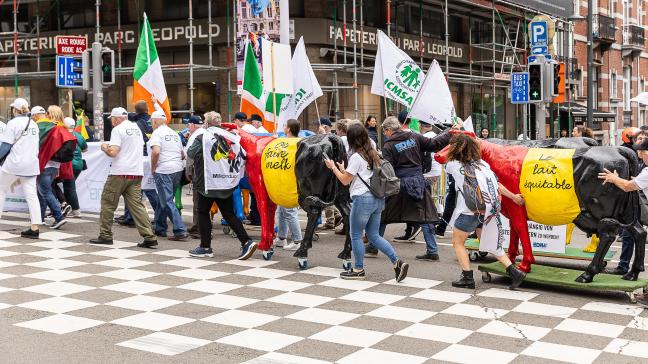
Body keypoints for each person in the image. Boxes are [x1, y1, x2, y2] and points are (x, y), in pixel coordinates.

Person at [325, 123, 409, 282]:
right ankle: (397, 262)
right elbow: (359, 176)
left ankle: (358, 269)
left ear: (351, 139)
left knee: (356, 235)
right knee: (374, 235)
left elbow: (344, 181)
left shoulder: (357, 157)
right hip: (377, 199)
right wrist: (344, 169)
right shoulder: (373, 153)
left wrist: (333, 168)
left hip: (362, 200)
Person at [444, 133, 526, 289]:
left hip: (468, 211)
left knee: (458, 242)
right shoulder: (483, 165)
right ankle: (514, 272)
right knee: (489, 243)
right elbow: (497, 185)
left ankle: (467, 277)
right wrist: (514, 197)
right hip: (487, 212)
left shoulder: (454, 165)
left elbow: (442, 155)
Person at [366, 116, 452, 258]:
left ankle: (373, 247)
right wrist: (450, 132)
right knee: (425, 216)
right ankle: (432, 251)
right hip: (418, 182)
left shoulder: (388, 146)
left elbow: (388, 170)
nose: (385, 134)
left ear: (389, 130)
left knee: (382, 214)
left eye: (385, 131)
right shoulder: (415, 137)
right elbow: (435, 144)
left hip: (399, 183)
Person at [186, 111, 257, 259]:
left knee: (203, 213)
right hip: (226, 182)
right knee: (229, 214)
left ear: (206, 123)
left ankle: (205, 247)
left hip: (208, 182)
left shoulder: (202, 136)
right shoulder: (232, 137)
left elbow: (191, 154)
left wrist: (189, 170)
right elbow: (243, 155)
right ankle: (246, 241)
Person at [90, 107, 158, 248]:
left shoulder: (118, 130)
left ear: (116, 119)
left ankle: (105, 235)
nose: (112, 123)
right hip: (136, 173)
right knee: (137, 206)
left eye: (112, 120)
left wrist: (104, 147)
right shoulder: (136, 129)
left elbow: (113, 152)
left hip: (119, 173)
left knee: (108, 204)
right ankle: (149, 237)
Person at [0, 98, 42, 238]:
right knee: (31, 196)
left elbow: (5, 146)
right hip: (31, 164)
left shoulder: (12, 123)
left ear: (15, 110)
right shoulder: (34, 124)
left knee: (1, 191)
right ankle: (35, 227)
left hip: (13, 164)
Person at [149, 110, 189, 241]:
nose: (151, 124)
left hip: (163, 170)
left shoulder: (157, 133)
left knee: (166, 201)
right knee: (164, 198)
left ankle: (179, 229)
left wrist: (153, 167)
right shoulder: (174, 133)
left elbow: (156, 152)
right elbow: (183, 154)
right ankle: (160, 228)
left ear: (155, 121)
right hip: (177, 169)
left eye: (151, 122)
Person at [34, 106, 67, 229]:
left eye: (47, 112)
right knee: (42, 191)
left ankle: (59, 217)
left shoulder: (44, 127)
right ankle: (40, 218)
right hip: (55, 164)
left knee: (45, 191)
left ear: (49, 114)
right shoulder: (61, 127)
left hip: (45, 164)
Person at [273, 119, 304, 251]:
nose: (283, 127)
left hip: (290, 181)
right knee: (282, 210)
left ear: (289, 129)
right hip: (285, 180)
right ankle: (281, 238)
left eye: (285, 125)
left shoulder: (294, 143)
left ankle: (297, 240)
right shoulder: (300, 142)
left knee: (290, 210)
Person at [415, 120, 443, 261]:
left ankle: (432, 250)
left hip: (424, 176)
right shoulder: (435, 136)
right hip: (434, 174)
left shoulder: (423, 138)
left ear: (421, 125)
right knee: (426, 210)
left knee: (425, 213)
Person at [317, 117, 342, 230]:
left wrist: (322, 135)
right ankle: (337, 215)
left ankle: (330, 221)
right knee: (329, 195)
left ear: (325, 126)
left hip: (328, 168)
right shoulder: (332, 137)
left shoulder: (330, 137)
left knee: (327, 195)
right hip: (330, 168)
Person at [185, 115, 207, 237]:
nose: (188, 128)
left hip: (198, 171)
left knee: (198, 201)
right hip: (208, 172)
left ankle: (199, 228)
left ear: (193, 125)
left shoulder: (195, 136)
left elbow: (189, 155)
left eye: (188, 125)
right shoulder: (206, 132)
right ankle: (198, 226)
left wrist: (188, 172)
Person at [62, 117, 87, 218]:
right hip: (79, 165)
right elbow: (85, 149)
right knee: (68, 187)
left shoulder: (63, 134)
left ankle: (75, 210)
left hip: (69, 164)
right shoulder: (79, 135)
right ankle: (68, 208)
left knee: (69, 188)